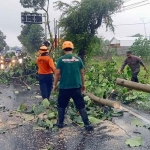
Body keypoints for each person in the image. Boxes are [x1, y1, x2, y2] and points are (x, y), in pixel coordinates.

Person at [53, 41, 94, 131]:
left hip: (64, 87)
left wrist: (55, 85)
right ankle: (87, 125)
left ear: (63, 49)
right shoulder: (78, 59)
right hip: (76, 87)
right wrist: (83, 84)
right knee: (81, 106)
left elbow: (57, 74)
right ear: (72, 48)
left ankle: (60, 123)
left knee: (62, 106)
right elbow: (82, 72)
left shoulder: (60, 60)